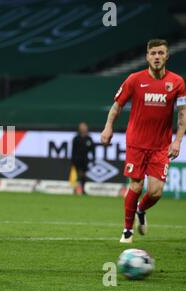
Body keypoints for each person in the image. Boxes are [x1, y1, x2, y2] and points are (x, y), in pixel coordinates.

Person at [100, 39, 186, 243]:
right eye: (153, 53)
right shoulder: (134, 80)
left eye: (161, 53)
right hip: (136, 143)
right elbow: (116, 106)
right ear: (147, 56)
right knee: (136, 186)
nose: (157, 57)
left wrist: (177, 141)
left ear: (167, 56)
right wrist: (108, 126)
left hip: (160, 146)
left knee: (155, 192)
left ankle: (141, 209)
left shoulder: (177, 82)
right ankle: (127, 231)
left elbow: (182, 115)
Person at [71, 122, 95, 195]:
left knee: (84, 175)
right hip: (77, 159)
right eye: (82, 126)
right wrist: (72, 160)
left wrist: (93, 159)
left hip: (85, 159)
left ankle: (83, 189)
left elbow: (92, 150)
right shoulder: (76, 138)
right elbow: (73, 150)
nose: (83, 128)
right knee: (77, 175)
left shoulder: (89, 138)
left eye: (84, 126)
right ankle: (76, 189)